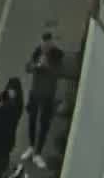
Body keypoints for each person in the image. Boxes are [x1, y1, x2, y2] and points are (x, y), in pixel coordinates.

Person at [25, 33, 63, 164]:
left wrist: (47, 66)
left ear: (51, 43)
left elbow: (58, 72)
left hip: (48, 95)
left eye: (47, 45)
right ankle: (31, 146)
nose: (44, 47)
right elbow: (28, 67)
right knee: (32, 119)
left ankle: (38, 152)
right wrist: (36, 65)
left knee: (44, 123)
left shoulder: (57, 54)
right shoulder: (37, 52)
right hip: (35, 92)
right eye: (43, 44)